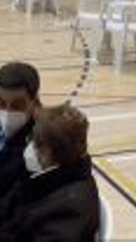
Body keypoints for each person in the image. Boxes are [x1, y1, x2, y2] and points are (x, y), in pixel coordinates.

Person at [0, 104, 99, 241]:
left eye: (37, 144)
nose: (30, 147)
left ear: (50, 154)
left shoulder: (69, 210)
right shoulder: (43, 175)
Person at [0, 63, 42, 195]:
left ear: (34, 103)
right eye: (1, 103)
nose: (8, 112)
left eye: (17, 105)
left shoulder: (38, 149)